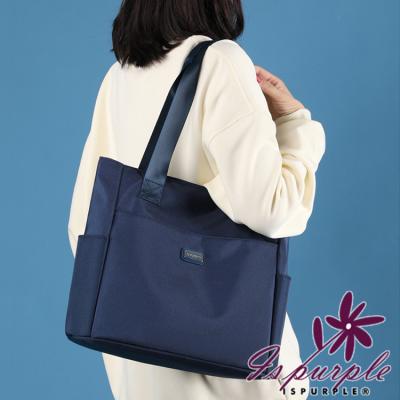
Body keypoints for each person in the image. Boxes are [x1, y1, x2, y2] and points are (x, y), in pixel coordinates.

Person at [67, 1, 326, 399]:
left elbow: (85, 225)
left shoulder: (118, 76)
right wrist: (295, 125)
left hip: (141, 373)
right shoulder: (220, 62)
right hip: (233, 375)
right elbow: (273, 210)